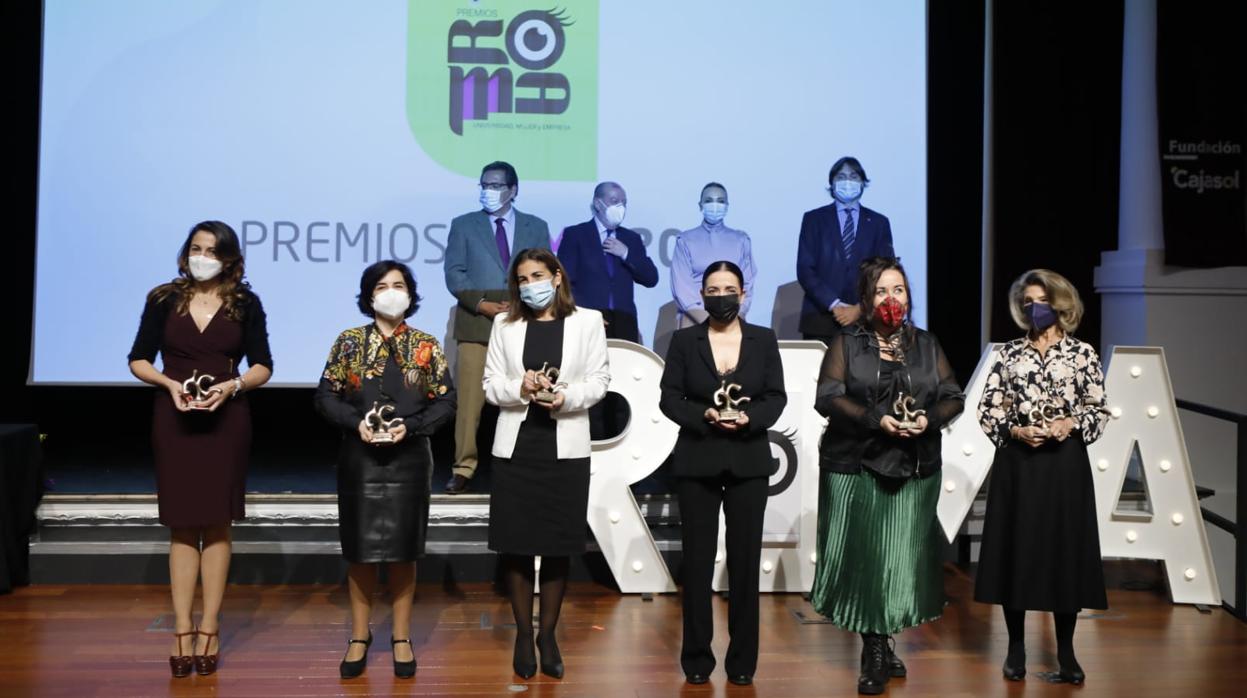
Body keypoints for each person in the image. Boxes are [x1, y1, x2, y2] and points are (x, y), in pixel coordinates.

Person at [809, 256, 963, 695]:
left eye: (898, 290)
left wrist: (926, 421)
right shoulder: (848, 342)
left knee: (901, 562)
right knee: (867, 560)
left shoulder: (927, 345)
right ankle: (873, 648)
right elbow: (828, 396)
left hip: (915, 468)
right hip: (855, 464)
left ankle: (884, 638)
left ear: (909, 296)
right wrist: (876, 419)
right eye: (881, 291)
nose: (890, 299)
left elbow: (953, 396)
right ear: (865, 299)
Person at [127, 220, 273, 678]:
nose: (202, 256)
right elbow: (138, 359)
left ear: (229, 258)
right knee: (182, 524)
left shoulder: (246, 304)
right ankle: (181, 630)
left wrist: (232, 386)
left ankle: (210, 626)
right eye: (196, 248)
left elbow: (263, 366)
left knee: (218, 522)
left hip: (227, 421)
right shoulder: (162, 299)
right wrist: (168, 384)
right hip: (173, 418)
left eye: (211, 250)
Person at [314, 260, 456, 679]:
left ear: (411, 294)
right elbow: (325, 396)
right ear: (368, 295)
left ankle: (401, 636)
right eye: (382, 285)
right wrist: (354, 423)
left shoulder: (426, 344)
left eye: (399, 285)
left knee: (403, 551)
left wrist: (410, 428)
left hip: (409, 458)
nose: (391, 292)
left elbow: (446, 401)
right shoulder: (349, 342)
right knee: (360, 551)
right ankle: (359, 636)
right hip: (359, 459)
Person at [975, 269, 1109, 686]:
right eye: (1029, 301)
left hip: (1065, 465)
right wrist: (1015, 430)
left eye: (1043, 301)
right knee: (1017, 551)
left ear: (1062, 304)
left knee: (1064, 553)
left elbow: (1098, 409)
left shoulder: (1083, 354)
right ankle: (1016, 648)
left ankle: (1067, 651)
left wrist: (1070, 423)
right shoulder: (1009, 354)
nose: (1036, 308)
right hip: (1019, 463)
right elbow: (988, 408)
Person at [659, 260, 787, 687]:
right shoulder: (683, 340)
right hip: (698, 460)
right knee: (695, 565)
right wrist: (705, 415)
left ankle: (742, 661)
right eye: (713, 289)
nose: (721, 296)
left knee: (745, 565)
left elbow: (775, 397)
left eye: (728, 288)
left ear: (743, 293)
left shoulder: (763, 340)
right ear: (702, 294)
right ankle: (696, 658)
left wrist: (749, 420)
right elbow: (669, 399)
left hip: (749, 461)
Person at [483, 248, 609, 681]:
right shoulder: (504, 324)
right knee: (517, 544)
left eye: (537, 275)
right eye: (522, 279)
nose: (529, 284)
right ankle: (522, 634)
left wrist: (564, 397)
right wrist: (520, 386)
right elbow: (490, 385)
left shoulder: (588, 322)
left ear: (557, 277)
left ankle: (548, 635)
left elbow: (599, 381)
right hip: (517, 448)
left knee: (558, 546)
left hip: (565, 446)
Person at [443, 161, 550, 493]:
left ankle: (523, 463)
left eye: (495, 185)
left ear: (513, 190)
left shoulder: (536, 225)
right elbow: (454, 273)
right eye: (484, 185)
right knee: (471, 402)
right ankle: (464, 467)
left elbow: (544, 270)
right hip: (476, 322)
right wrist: (482, 305)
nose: (487, 191)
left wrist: (521, 303)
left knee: (525, 395)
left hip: (522, 321)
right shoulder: (463, 225)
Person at [797, 156, 895, 345]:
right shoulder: (813, 219)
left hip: (866, 319)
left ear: (863, 183)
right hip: (820, 319)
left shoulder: (879, 222)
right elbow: (805, 269)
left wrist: (860, 308)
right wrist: (834, 305)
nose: (847, 182)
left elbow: (885, 271)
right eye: (841, 177)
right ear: (831, 184)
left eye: (853, 176)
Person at [555, 180, 659, 343]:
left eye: (624, 203)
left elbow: (651, 278)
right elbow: (565, 281)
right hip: (587, 320)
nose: (621, 207)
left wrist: (626, 254)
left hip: (624, 322)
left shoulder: (631, 238)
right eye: (614, 201)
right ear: (598, 203)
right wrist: (580, 315)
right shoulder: (575, 234)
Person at [671, 182, 757, 329]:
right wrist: (709, 321)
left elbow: (747, 283)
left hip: (733, 322)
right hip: (695, 320)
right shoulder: (685, 240)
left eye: (721, 201)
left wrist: (735, 316)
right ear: (700, 205)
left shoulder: (741, 240)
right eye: (709, 201)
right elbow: (682, 288)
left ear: (727, 206)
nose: (715, 205)